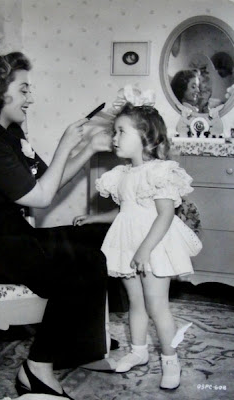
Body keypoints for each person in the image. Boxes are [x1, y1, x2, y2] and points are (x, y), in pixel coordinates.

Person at [0, 52, 113, 399]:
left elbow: (50, 181)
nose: (30, 98)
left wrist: (89, 147)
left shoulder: (10, 133)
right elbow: (42, 197)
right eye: (23, 90)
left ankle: (81, 349)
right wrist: (67, 141)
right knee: (69, 264)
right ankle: (36, 369)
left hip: (13, 238)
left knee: (95, 246)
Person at [73, 102, 202, 390]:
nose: (114, 138)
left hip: (152, 246)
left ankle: (170, 360)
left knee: (157, 307)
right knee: (136, 304)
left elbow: (166, 213)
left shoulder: (159, 172)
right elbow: (126, 211)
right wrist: (95, 217)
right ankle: (139, 351)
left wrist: (145, 249)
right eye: (114, 131)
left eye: (121, 131)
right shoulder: (122, 174)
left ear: (145, 135)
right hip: (129, 244)